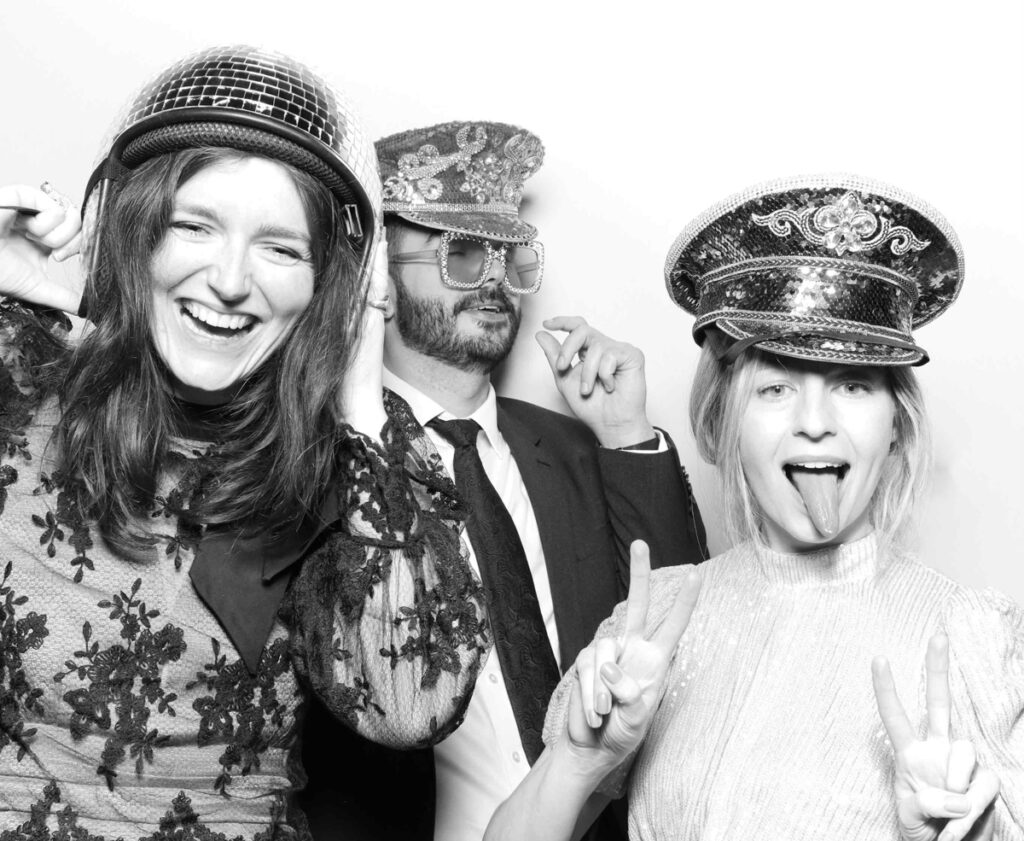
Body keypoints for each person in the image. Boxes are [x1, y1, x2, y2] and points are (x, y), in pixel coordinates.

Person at [0, 47, 488, 839]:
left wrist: (362, 398)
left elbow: (410, 708)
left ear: (332, 284)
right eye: (195, 225)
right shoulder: (20, 382)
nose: (230, 279)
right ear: (136, 237)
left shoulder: (356, 460)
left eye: (281, 247)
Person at [485, 174, 1024, 840]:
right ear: (728, 420)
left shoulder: (961, 638)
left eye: (854, 384)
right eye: (775, 388)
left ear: (897, 426)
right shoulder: (660, 621)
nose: (815, 422)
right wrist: (579, 757)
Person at [298, 121, 708, 841]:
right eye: (460, 252)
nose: (492, 277)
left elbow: (687, 638)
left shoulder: (576, 449)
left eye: (507, 254)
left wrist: (627, 435)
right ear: (381, 273)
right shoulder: (320, 458)